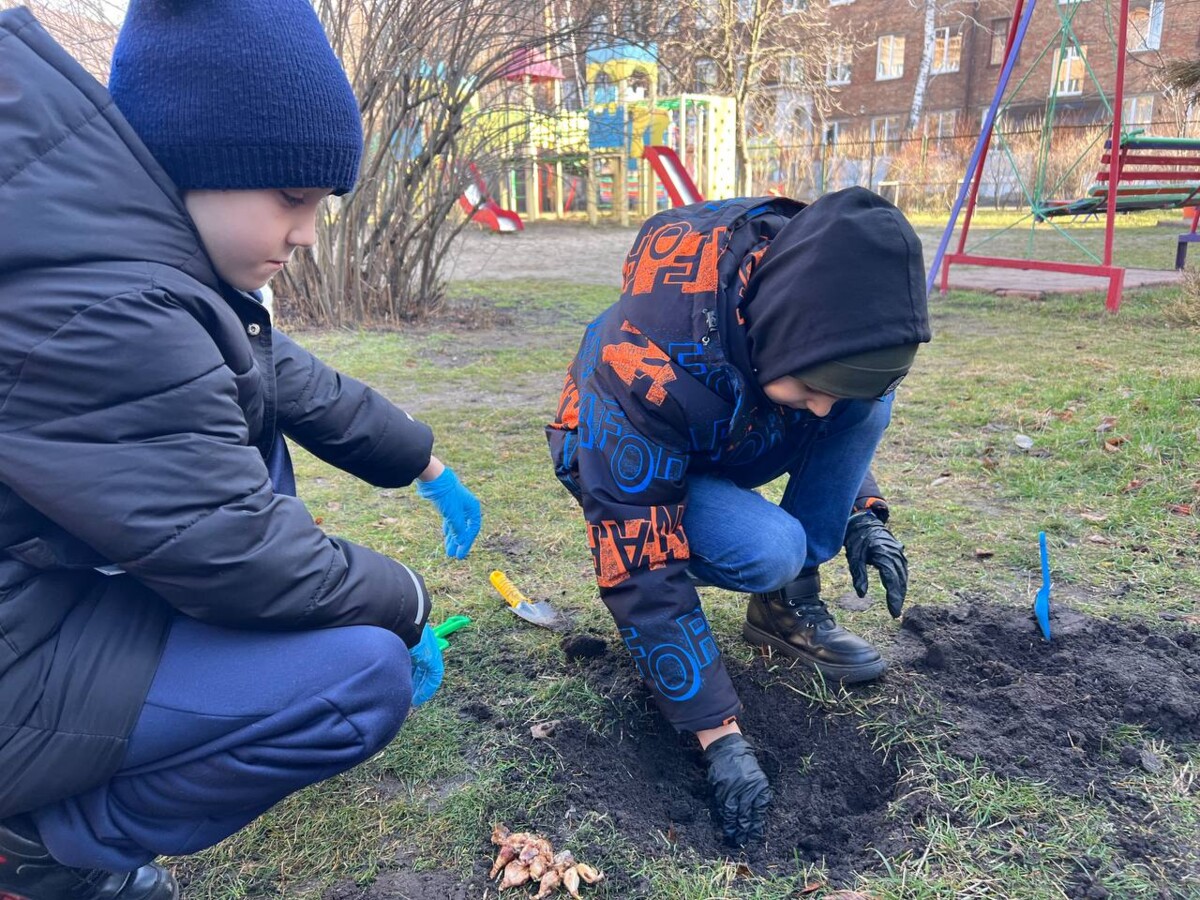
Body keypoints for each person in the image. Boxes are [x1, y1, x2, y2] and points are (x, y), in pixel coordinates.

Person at [0, 3, 482, 898]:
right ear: (195, 161)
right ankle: (37, 848)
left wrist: (423, 462)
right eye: (292, 199)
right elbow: (240, 553)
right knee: (359, 678)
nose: (307, 235)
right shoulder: (109, 309)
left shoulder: (123, 260)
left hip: (43, 601)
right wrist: (407, 602)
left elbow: (285, 377)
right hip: (17, 650)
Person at [546, 187, 929, 848]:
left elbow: (835, 409)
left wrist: (859, 513)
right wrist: (717, 735)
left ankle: (783, 610)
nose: (821, 410)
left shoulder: (810, 291)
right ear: (780, 334)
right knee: (771, 548)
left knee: (868, 405)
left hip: (734, 426)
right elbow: (640, 559)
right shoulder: (640, 356)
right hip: (621, 455)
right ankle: (778, 578)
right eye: (812, 388)